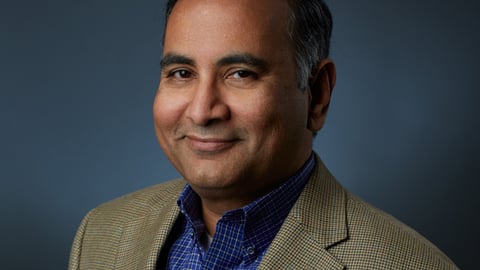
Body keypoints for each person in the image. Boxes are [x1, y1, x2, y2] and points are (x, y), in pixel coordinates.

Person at [69, 0, 459, 269]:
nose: (203, 110)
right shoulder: (101, 234)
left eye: (241, 73)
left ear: (317, 95)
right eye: (182, 73)